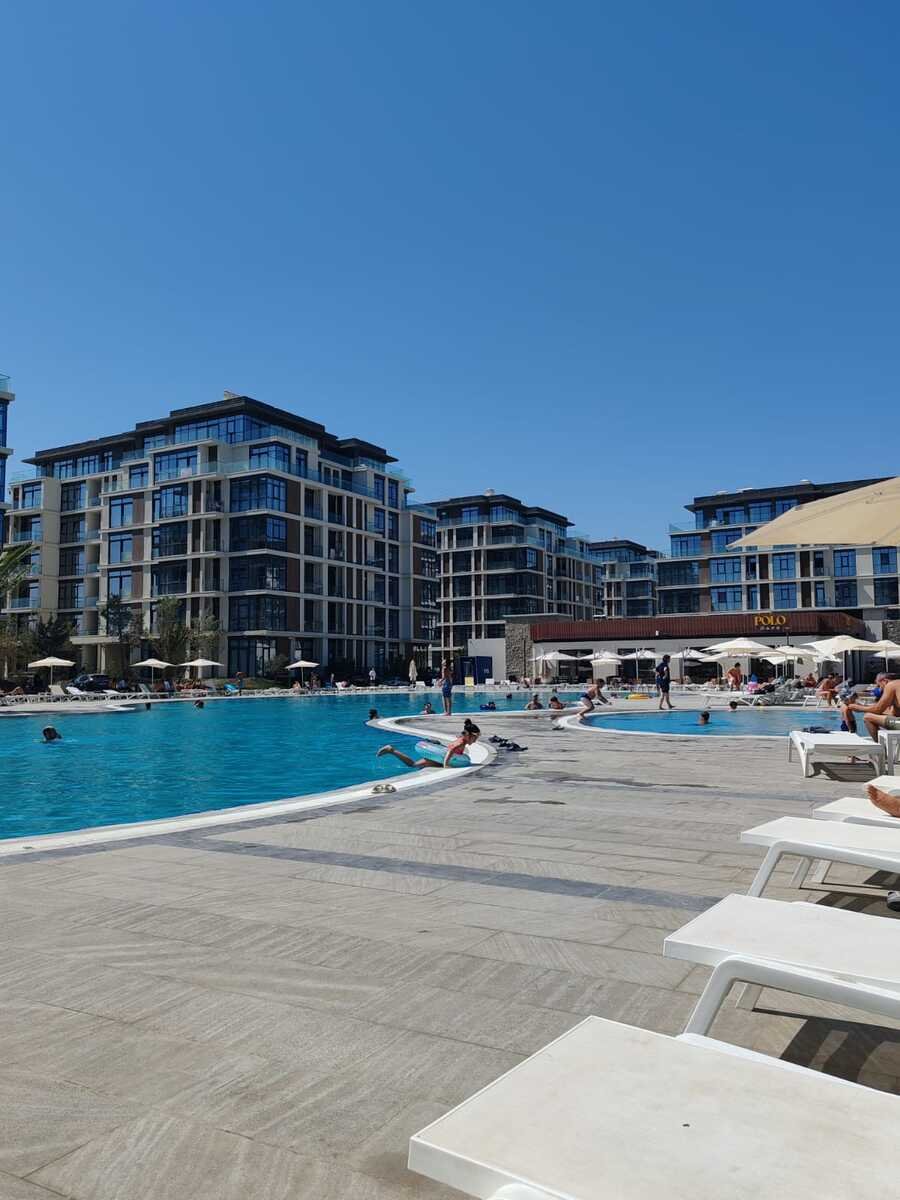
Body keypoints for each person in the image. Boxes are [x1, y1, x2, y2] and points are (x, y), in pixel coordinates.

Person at [377, 720, 480, 770]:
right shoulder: (461, 742)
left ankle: (392, 750)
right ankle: (391, 750)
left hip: (439, 756)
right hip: (439, 757)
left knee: (418, 766)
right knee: (413, 765)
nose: (475, 740)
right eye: (475, 738)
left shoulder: (462, 739)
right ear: (468, 735)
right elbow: (451, 750)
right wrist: (446, 765)